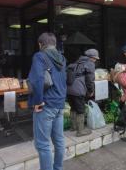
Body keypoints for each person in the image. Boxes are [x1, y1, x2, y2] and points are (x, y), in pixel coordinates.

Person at [28, 32, 66, 170]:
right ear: (54, 44)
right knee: (59, 141)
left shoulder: (39, 56)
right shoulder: (62, 58)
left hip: (46, 105)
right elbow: (62, 81)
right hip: (59, 104)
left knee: (43, 145)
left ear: (40, 44)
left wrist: (37, 102)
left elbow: (37, 79)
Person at [67, 49, 100, 137]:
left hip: (69, 89)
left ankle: (73, 127)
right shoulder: (89, 63)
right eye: (95, 58)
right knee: (80, 109)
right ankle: (80, 131)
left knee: (73, 107)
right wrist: (91, 90)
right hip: (78, 90)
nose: (95, 60)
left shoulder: (77, 62)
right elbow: (90, 80)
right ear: (91, 57)